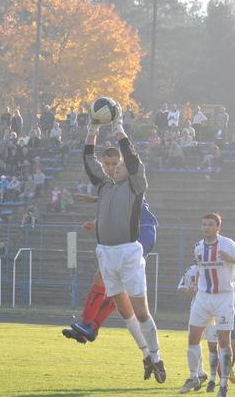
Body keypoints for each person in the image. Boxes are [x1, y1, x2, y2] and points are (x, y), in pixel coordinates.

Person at [74, 99, 166, 383]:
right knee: (125, 311)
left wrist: (118, 128)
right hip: (106, 253)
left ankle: (158, 357)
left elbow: (133, 159)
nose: (116, 168)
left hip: (128, 252)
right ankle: (146, 356)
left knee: (140, 311)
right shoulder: (105, 186)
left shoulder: (136, 186)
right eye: (114, 167)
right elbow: (89, 160)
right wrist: (92, 129)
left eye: (121, 166)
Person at [178, 213, 235, 397]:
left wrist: (230, 259)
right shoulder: (198, 247)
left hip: (223, 298)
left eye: (210, 224)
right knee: (193, 338)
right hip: (203, 297)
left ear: (218, 227)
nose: (206, 227)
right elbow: (200, 269)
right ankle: (194, 376)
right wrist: (193, 285)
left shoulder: (228, 244)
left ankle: (223, 384)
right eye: (204, 224)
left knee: (224, 341)